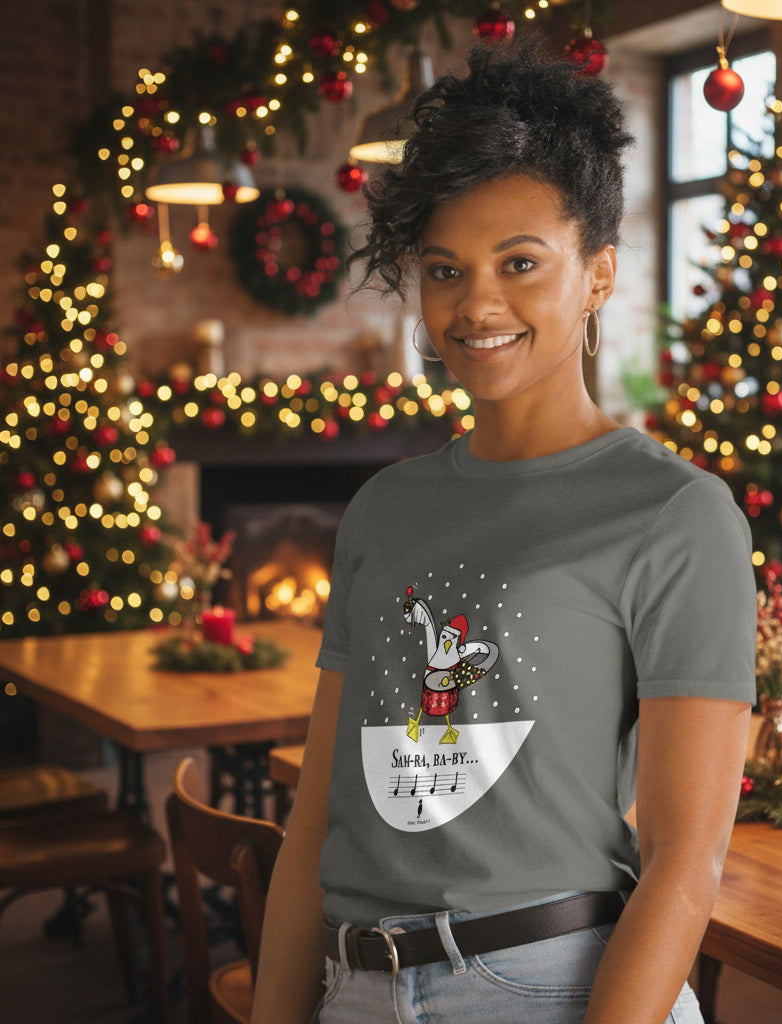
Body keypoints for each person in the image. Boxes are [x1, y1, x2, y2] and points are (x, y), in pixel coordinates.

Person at [252, 41, 755, 1024]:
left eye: (520, 263)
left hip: (552, 985)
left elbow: (685, 862)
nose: (476, 304)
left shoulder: (674, 511)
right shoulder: (383, 507)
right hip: (357, 986)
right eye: (445, 270)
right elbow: (315, 822)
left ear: (598, 274)